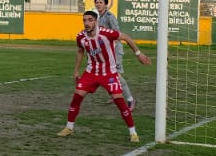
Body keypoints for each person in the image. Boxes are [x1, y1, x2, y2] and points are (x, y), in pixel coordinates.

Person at [60, 10, 150, 143]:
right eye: (84, 20)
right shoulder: (81, 37)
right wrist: (76, 71)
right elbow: (80, 51)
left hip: (109, 73)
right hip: (91, 73)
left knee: (120, 103)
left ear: (96, 21)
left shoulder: (106, 33)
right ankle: (69, 128)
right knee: (76, 98)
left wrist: (138, 54)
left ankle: (133, 133)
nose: (87, 23)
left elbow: (126, 37)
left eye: (90, 20)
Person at [92, 0, 136, 111]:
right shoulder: (99, 17)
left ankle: (131, 100)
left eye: (100, 2)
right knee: (105, 74)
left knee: (117, 75)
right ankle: (114, 95)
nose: (98, 4)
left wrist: (113, 47)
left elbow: (117, 33)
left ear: (105, 5)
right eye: (97, 2)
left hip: (115, 50)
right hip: (105, 50)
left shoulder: (110, 17)